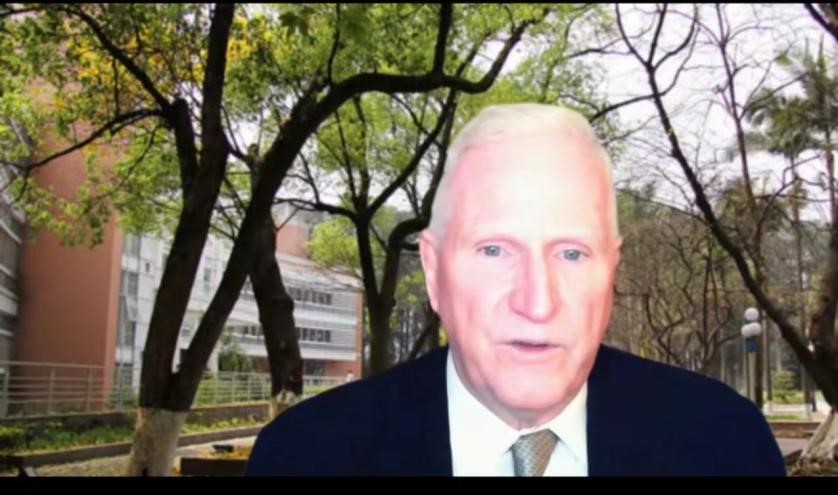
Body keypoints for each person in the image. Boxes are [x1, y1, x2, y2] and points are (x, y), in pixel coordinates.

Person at [246, 104, 786, 476]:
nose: (537, 301)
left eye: (571, 253)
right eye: (494, 250)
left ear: (611, 270)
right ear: (434, 271)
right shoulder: (304, 458)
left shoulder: (727, 446)